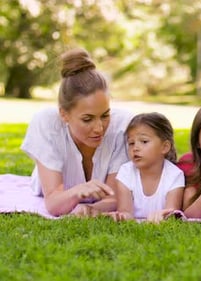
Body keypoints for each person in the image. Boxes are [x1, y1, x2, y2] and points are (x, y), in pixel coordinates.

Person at [21, 48, 133, 217]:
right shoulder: (46, 123)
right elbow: (53, 204)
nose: (99, 128)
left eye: (105, 115)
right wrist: (78, 191)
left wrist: (91, 210)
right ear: (64, 114)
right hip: (53, 192)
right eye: (87, 119)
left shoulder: (122, 126)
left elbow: (113, 199)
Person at [106, 113, 185, 223]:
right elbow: (125, 212)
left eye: (144, 141)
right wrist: (120, 217)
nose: (135, 148)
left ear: (165, 147)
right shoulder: (125, 172)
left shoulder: (175, 175)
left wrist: (162, 216)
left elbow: (171, 213)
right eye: (131, 143)